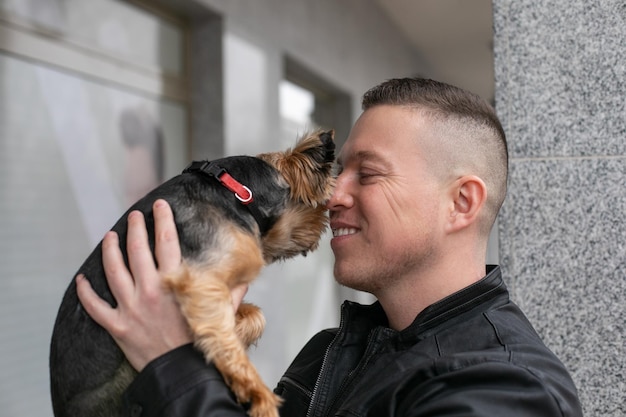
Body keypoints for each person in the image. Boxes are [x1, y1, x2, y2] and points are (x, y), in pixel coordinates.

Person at [76, 78, 583, 416]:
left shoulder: (506, 389)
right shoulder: (331, 352)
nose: (333, 194)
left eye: (370, 173)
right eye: (340, 171)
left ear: (461, 202)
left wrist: (176, 368)